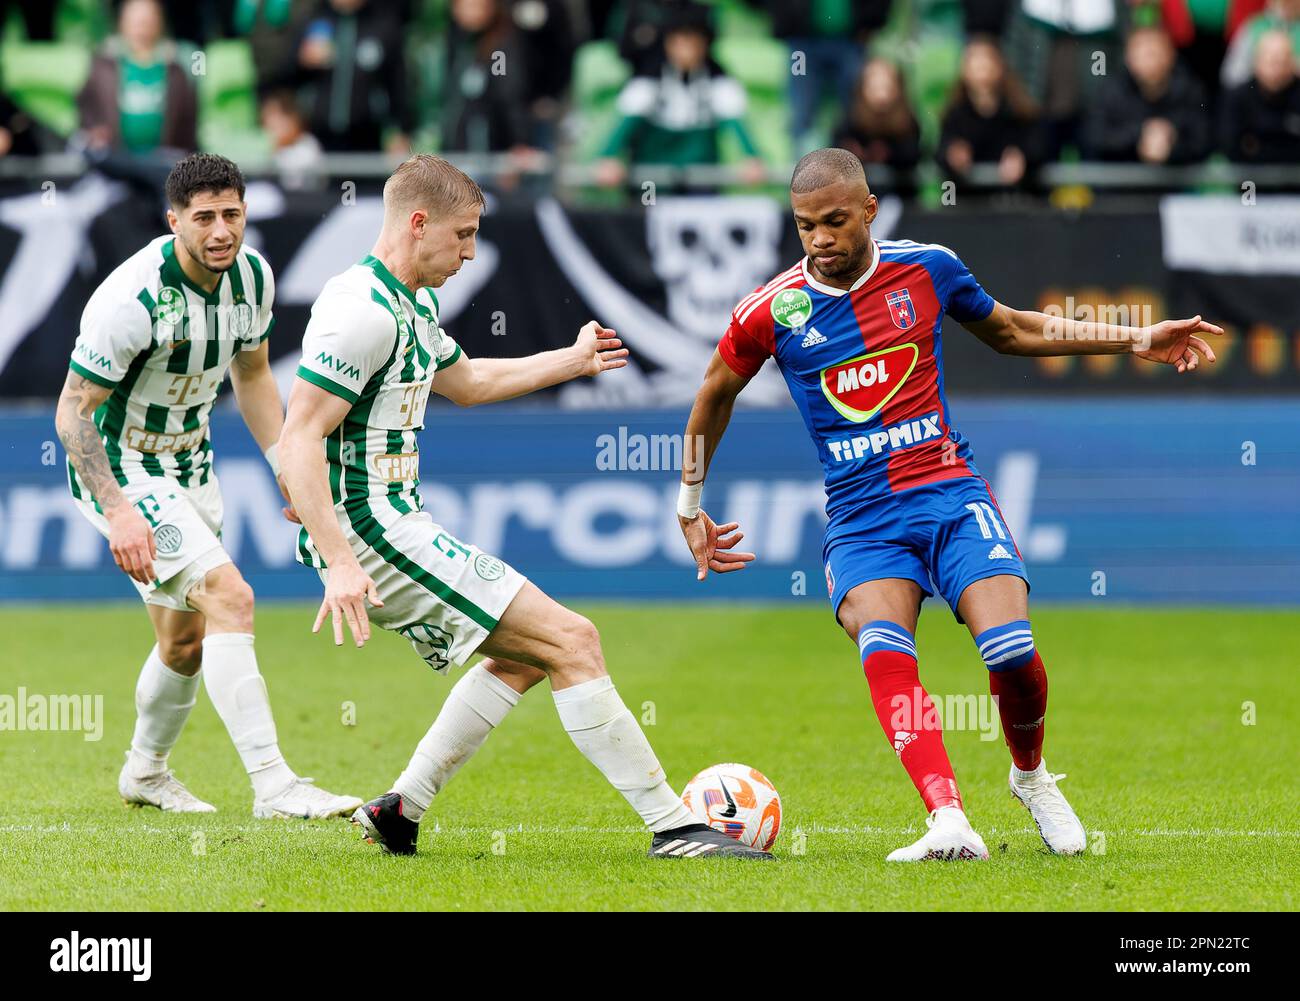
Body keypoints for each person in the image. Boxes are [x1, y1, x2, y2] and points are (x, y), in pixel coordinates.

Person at [674, 148, 1221, 862]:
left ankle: (1030, 777)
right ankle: (947, 816)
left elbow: (1014, 329)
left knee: (1012, 652)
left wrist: (1133, 337)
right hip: (863, 521)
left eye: (835, 221)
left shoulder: (926, 267)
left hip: (949, 495)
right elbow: (714, 391)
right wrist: (689, 500)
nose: (820, 240)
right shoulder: (772, 310)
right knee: (884, 649)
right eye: (806, 226)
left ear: (869, 210)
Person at [277, 154, 769, 860]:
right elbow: (299, 439)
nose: (472, 251)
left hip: (395, 526)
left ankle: (401, 809)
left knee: (525, 657)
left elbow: (469, 380)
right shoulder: (359, 311)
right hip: (375, 536)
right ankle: (674, 826)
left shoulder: (409, 300)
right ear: (418, 224)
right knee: (573, 639)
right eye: (463, 234)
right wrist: (340, 560)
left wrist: (569, 360)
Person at [53, 153, 361, 820]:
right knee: (232, 595)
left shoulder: (252, 277)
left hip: (192, 466)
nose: (222, 230)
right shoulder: (132, 297)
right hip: (126, 468)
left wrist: (286, 463)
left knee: (184, 641)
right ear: (174, 221)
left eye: (232, 213)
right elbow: (71, 413)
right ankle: (275, 784)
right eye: (204, 218)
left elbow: (252, 377)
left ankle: (145, 770)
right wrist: (120, 510)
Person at [594, 2, 764, 190]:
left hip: (701, 174)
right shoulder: (648, 81)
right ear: (668, 44)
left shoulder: (718, 81)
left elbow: (735, 121)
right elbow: (625, 124)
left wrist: (752, 157)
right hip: (654, 176)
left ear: (705, 44)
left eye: (692, 42)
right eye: (679, 42)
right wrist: (608, 157)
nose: (686, 50)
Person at [76, 0, 198, 155]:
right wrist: (94, 131)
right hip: (115, 159)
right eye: (136, 21)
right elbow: (85, 106)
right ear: (122, 23)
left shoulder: (176, 69)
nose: (142, 27)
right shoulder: (103, 65)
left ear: (160, 23)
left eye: (148, 20)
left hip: (164, 161)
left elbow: (189, 122)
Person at [1087, 26, 1212, 164]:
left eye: (1154, 53)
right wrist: (1140, 133)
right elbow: (1094, 140)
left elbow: (1203, 143)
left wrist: (1171, 142)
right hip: (1122, 179)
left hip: (1177, 180)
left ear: (1170, 55)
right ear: (1128, 58)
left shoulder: (1190, 90)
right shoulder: (1110, 91)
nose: (1149, 62)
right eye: (1141, 54)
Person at [938, 37, 1040, 186]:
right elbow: (939, 151)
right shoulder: (955, 114)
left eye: (986, 62)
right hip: (965, 198)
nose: (982, 69)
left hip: (1010, 198)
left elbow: (1038, 146)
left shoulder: (1018, 111)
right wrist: (952, 153)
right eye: (975, 63)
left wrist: (1022, 156)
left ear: (1000, 67)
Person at [1220, 28, 1300, 160]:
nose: (1278, 69)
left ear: (1292, 63)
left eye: (1284, 61)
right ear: (1257, 61)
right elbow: (1229, 145)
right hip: (1250, 178)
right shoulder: (1238, 96)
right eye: (1272, 61)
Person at [832, 59, 921, 174]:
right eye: (875, 88)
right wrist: (852, 153)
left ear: (897, 88)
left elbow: (914, 155)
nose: (881, 95)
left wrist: (888, 154)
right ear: (863, 88)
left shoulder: (907, 119)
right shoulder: (852, 115)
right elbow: (835, 148)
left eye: (886, 88)